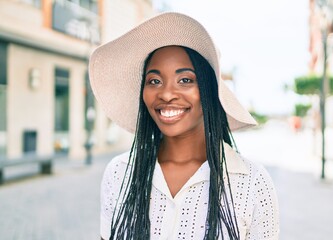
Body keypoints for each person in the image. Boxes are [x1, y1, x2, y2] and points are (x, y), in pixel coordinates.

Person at [89, 12, 279, 240]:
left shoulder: (252, 182)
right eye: (154, 81)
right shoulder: (120, 172)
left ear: (209, 90)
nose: (167, 94)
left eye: (185, 80)